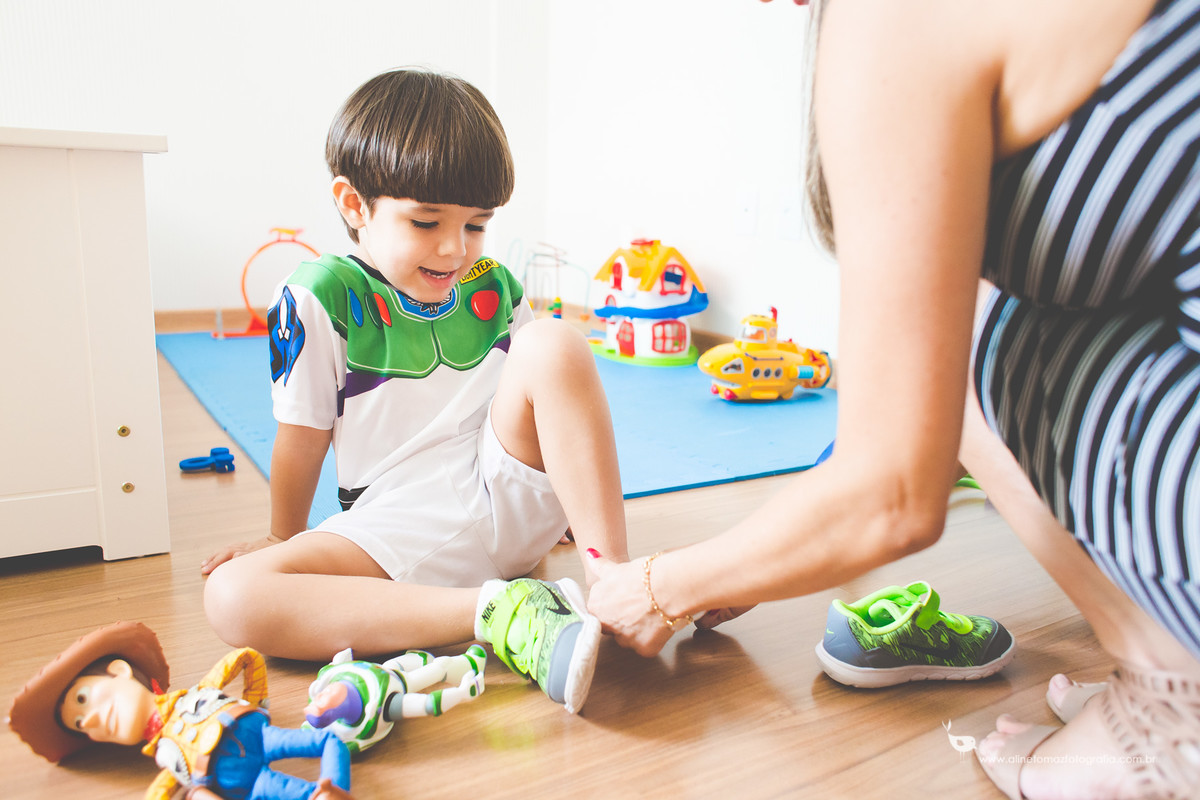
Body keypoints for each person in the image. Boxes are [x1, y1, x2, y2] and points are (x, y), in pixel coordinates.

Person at [586, 0, 1200, 796]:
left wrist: (663, 586)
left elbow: (892, 494)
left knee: (973, 318)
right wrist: (760, 558)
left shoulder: (890, 19)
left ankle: (1171, 700)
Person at [201, 68, 629, 715]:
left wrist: (569, 513)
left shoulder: (495, 285)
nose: (456, 248)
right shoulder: (319, 293)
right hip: (393, 525)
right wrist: (283, 536)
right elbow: (302, 433)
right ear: (353, 205)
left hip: (504, 490)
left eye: (477, 225)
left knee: (555, 342)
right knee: (232, 595)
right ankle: (496, 609)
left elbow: (545, 399)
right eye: (427, 222)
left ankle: (614, 584)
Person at [7, 621, 354, 800]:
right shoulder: (166, 762)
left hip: (258, 733)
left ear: (119, 670)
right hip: (243, 783)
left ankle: (336, 788)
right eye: (81, 725)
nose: (92, 720)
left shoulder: (200, 692)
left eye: (84, 700)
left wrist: (257, 704)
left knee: (328, 744)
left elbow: (245, 657)